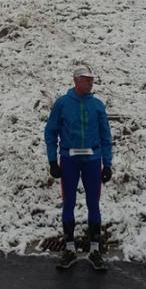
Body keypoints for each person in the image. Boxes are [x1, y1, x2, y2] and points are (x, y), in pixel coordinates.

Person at [44, 65, 113, 271]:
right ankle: (69, 249)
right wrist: (52, 161)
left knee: (93, 203)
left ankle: (94, 250)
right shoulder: (62, 104)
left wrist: (107, 164)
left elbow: (106, 135)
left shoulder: (97, 105)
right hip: (69, 160)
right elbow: (51, 131)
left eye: (92, 79)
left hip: (93, 160)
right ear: (75, 80)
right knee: (69, 203)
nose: (90, 82)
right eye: (86, 79)